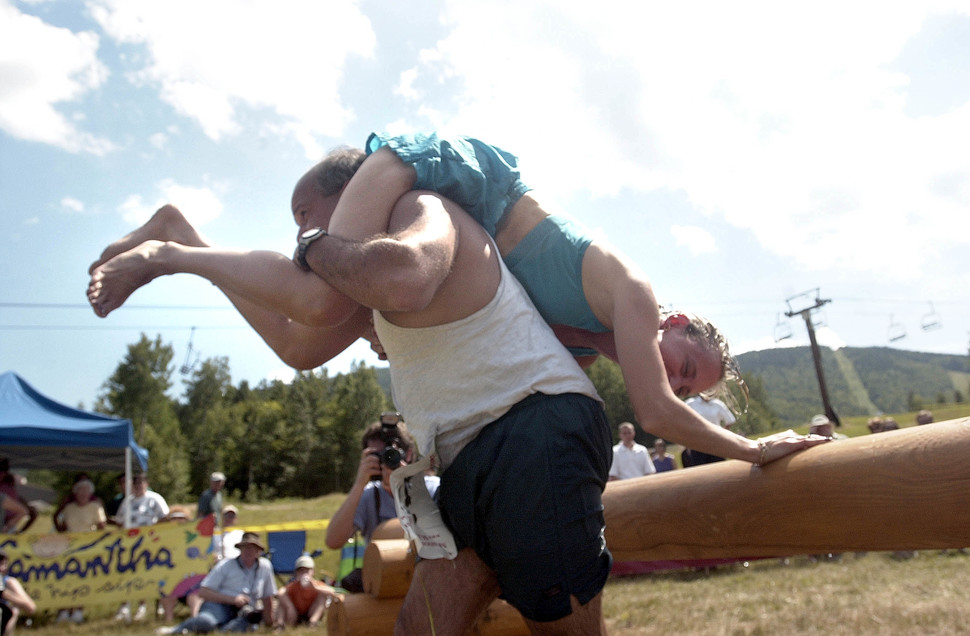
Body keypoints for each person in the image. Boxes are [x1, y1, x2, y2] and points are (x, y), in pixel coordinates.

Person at [88, 146, 827, 634]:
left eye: (308, 216)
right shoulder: (359, 274)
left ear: (351, 198)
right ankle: (178, 235)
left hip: (533, 434)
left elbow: (400, 274)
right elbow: (296, 341)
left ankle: (173, 245)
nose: (304, 237)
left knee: (564, 629)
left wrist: (751, 450)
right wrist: (198, 252)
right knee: (419, 629)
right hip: (470, 460)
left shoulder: (426, 208)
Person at [324, 414, 439, 592]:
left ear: (408, 454)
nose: (386, 460)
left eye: (390, 454)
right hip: (384, 585)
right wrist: (359, 484)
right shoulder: (368, 496)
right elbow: (333, 540)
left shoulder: (433, 489)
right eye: (377, 455)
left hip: (428, 584)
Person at [157, 532, 276, 634]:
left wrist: (270, 623)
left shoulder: (265, 566)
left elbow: (267, 596)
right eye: (245, 547)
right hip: (219, 605)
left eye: (252, 548)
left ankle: (222, 629)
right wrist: (233, 599)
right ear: (240, 549)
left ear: (258, 551)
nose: (248, 551)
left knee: (240, 628)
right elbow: (203, 591)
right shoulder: (226, 565)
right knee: (206, 622)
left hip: (246, 611)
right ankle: (175, 630)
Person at [161, 505, 243, 622]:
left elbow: (206, 553)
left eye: (182, 519)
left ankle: (195, 619)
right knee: (168, 588)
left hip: (193, 578)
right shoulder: (167, 539)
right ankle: (169, 619)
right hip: (174, 579)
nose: (178, 522)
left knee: (195, 589)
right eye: (174, 519)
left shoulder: (195, 537)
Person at [114, 473, 169, 623]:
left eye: (141, 483)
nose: (138, 486)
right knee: (129, 574)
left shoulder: (155, 499)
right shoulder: (127, 501)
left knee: (151, 573)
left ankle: (152, 605)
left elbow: (165, 518)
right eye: (135, 483)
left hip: (150, 543)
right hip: (130, 544)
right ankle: (127, 605)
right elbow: (119, 520)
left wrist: (152, 532)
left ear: (146, 483)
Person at [53, 478, 107, 623]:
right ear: (75, 493)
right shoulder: (69, 508)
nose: (83, 494)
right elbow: (61, 527)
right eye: (80, 490)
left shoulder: (96, 507)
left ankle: (78, 610)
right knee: (65, 579)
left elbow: (103, 528)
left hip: (87, 549)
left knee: (82, 578)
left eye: (86, 491)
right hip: (69, 548)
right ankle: (63, 610)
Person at [274, 554, 339, 629]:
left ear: (312, 572)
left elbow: (333, 592)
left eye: (307, 570)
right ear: (297, 573)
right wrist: (290, 607)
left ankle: (313, 622)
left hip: (311, 611)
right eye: (301, 571)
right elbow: (280, 592)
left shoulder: (316, 584)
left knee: (322, 596)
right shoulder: (294, 585)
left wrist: (315, 588)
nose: (304, 573)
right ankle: (280, 624)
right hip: (295, 613)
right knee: (282, 601)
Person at [681, 395, 738, 467]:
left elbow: (730, 420)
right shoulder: (690, 403)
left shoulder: (718, 404)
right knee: (700, 469)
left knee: (718, 468)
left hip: (716, 443)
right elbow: (681, 419)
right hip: (698, 444)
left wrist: (722, 435)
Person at [0, 551, 35, 636]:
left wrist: (5, 594)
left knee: (14, 610)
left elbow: (30, 607)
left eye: (3, 564)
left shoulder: (9, 582)